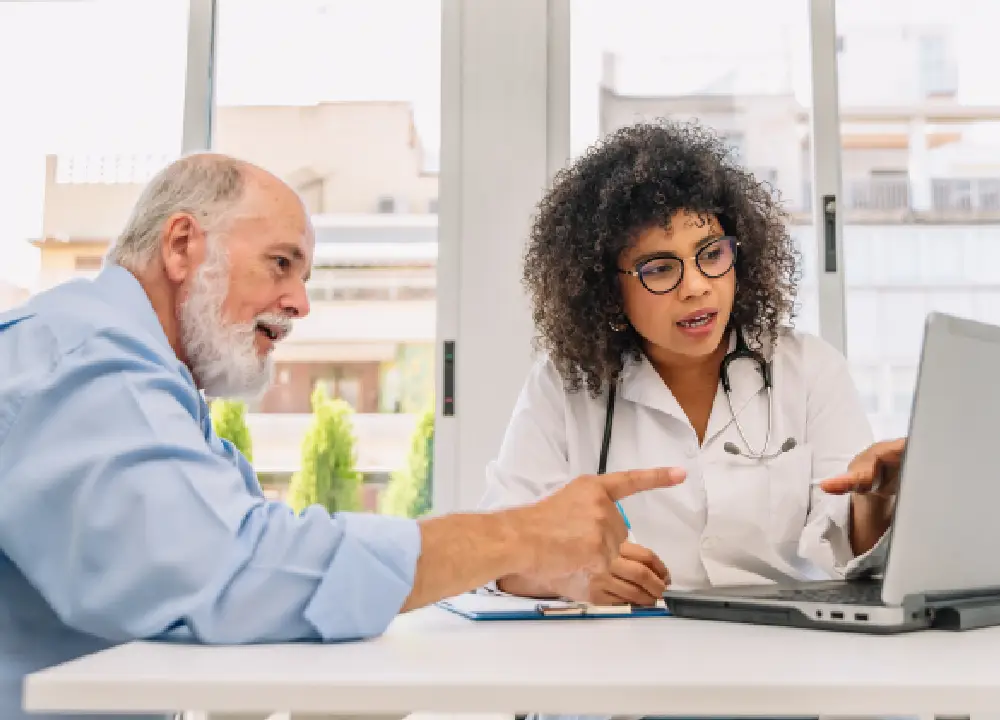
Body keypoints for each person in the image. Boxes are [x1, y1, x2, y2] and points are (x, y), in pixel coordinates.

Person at [0, 153, 686, 720]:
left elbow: (245, 562)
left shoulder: (150, 387)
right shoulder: (80, 360)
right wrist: (521, 535)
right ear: (183, 245)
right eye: (281, 263)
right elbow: (235, 571)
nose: (301, 302)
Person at [479, 119, 901, 610]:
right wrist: (564, 575)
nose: (697, 285)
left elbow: (849, 554)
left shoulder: (809, 369)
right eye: (659, 268)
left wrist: (877, 499)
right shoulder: (564, 386)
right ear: (606, 289)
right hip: (629, 652)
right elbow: (498, 551)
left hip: (785, 651)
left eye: (711, 254)